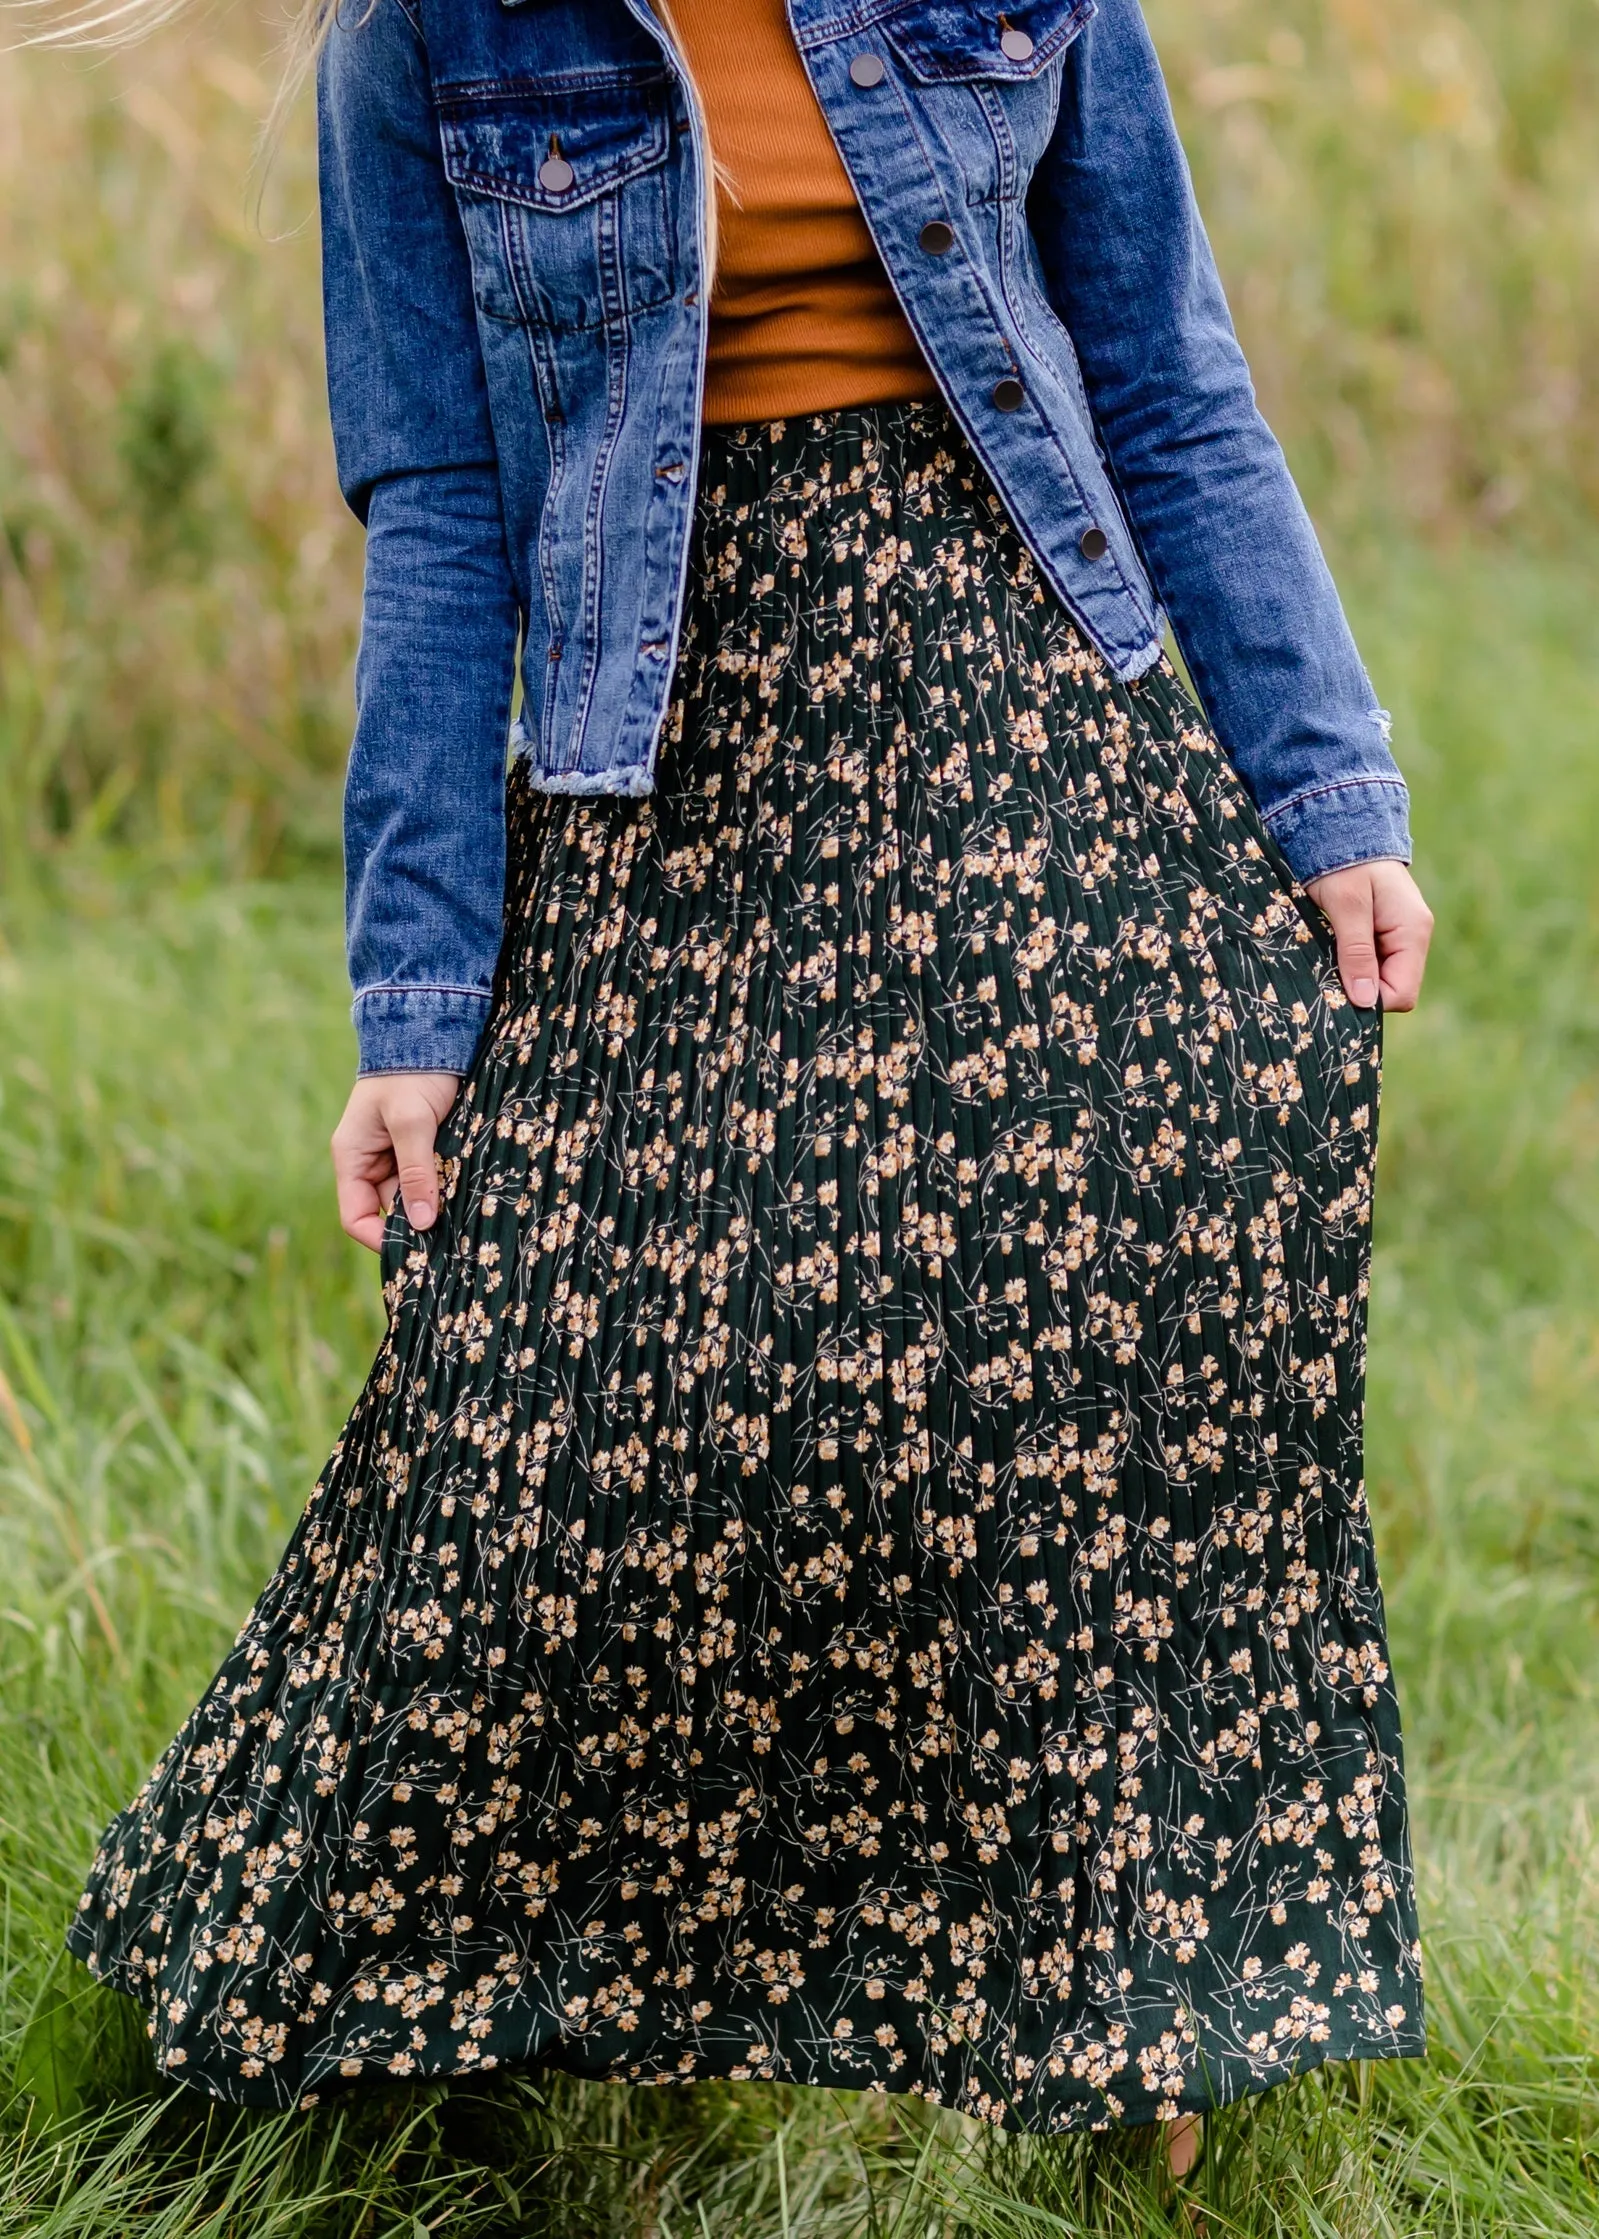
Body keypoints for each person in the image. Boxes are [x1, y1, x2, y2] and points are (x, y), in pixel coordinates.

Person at [65, 0, 1432, 2170]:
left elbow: (1170, 386)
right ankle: (426, 2031)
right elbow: (434, 518)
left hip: (1020, 722)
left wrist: (1324, 789)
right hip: (659, 771)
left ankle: (1131, 2018)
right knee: (574, 1406)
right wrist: (414, 1010)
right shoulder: (426, 37)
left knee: (1051, 1384)